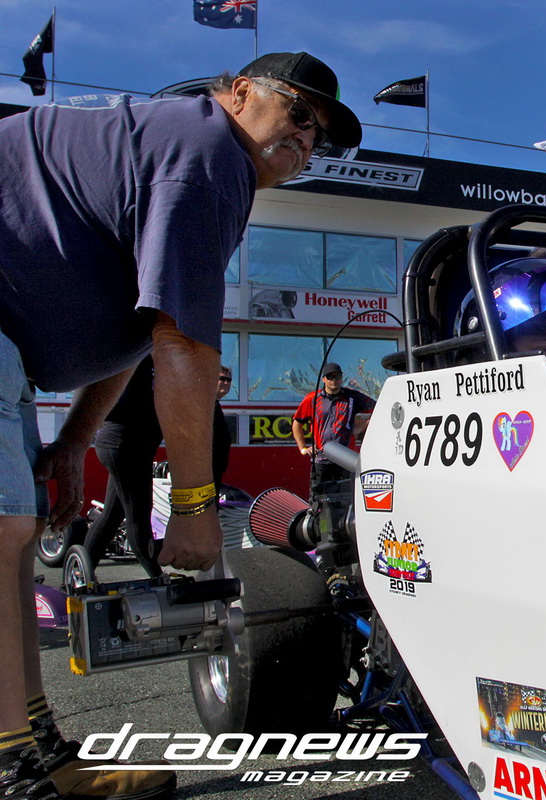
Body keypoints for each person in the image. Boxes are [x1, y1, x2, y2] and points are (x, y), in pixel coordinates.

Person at [0, 51, 361, 799]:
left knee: (16, 537)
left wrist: (73, 442)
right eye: (298, 112)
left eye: (319, 135)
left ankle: (31, 742)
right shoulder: (207, 156)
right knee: (1, 534)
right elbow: (183, 346)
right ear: (239, 93)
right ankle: (11, 767)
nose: (306, 138)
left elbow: (137, 335)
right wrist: (195, 505)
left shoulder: (196, 155)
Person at [81, 357, 163, 578]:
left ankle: (81, 575)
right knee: (138, 515)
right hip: (124, 447)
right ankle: (157, 577)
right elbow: (112, 400)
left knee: (112, 515)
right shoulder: (132, 357)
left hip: (133, 448)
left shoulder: (151, 362)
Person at [291, 363, 376, 496]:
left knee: (346, 498)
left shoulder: (352, 397)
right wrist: (303, 449)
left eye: (337, 376)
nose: (333, 380)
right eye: (330, 377)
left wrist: (363, 425)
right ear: (323, 379)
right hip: (320, 459)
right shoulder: (313, 398)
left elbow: (379, 407)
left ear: (341, 378)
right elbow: (297, 423)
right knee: (319, 498)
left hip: (345, 458)